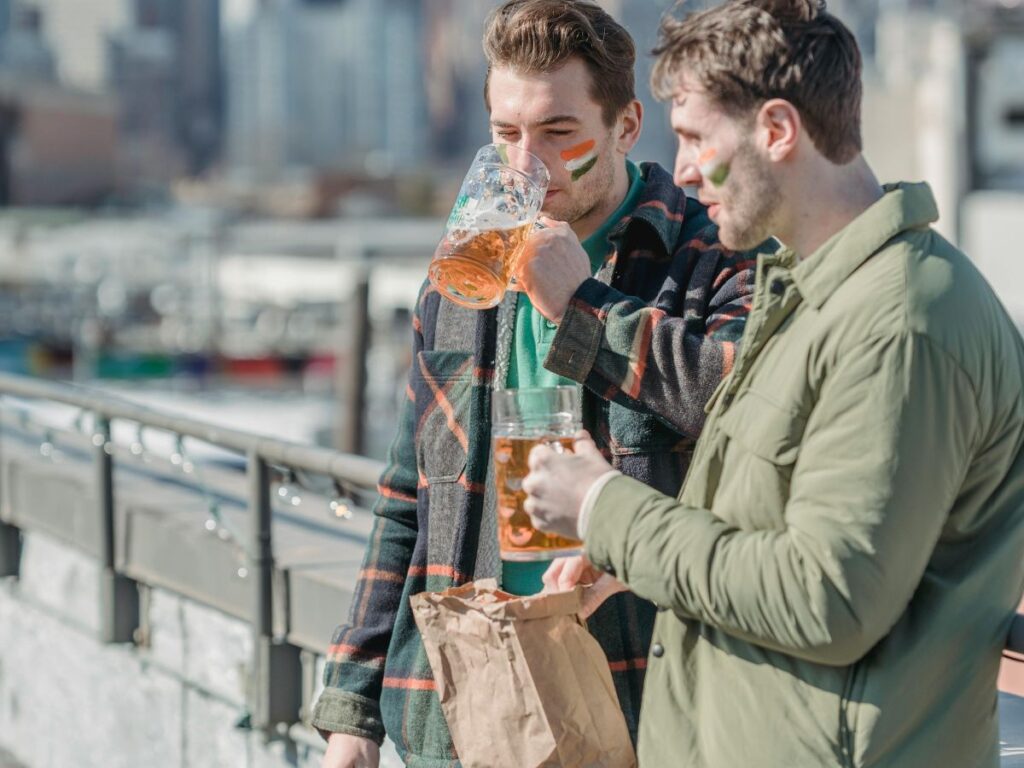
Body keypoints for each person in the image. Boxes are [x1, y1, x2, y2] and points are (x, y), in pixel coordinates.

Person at [521, 1, 1024, 766]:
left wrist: (604, 507)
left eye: (695, 137)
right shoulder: (806, 296)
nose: (683, 169)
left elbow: (826, 600)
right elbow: (769, 520)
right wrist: (633, 556)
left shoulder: (901, 322)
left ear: (778, 130)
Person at [311, 1, 766, 766]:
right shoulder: (464, 273)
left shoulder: (715, 256)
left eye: (559, 133)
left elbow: (742, 409)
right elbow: (405, 498)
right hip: (457, 706)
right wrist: (351, 710)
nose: (527, 166)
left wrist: (587, 306)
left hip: (639, 709)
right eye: (506, 135)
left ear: (625, 126)